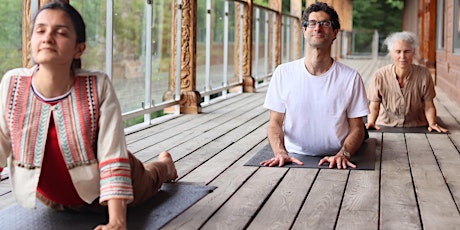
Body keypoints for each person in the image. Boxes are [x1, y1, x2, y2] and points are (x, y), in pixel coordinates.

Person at [0, 2, 177, 230]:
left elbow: (113, 156)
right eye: (40, 30)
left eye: (61, 32)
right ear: (31, 41)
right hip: (54, 200)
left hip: (114, 187)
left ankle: (165, 166)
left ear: (79, 48)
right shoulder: (12, 83)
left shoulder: (97, 85)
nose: (48, 37)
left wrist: (116, 222)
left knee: (151, 179)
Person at [260, 2, 369, 169]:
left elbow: (357, 128)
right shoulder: (283, 73)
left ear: (335, 33)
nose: (317, 28)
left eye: (325, 24)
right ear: (304, 31)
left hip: (337, 157)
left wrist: (344, 153)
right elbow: (275, 123)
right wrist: (279, 151)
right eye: (312, 23)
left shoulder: (351, 77)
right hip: (294, 155)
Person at [366, 31, 448, 133]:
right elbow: (374, 105)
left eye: (407, 51)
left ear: (413, 52)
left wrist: (432, 124)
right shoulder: (379, 75)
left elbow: (429, 105)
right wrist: (371, 122)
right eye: (398, 51)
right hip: (385, 124)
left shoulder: (424, 74)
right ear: (391, 53)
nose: (402, 56)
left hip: (417, 124)